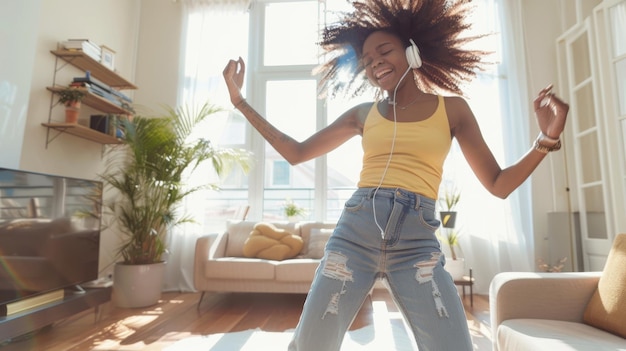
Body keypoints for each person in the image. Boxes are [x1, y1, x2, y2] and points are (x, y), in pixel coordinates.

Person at [222, 0, 569, 350]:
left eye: (384, 51)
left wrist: (547, 138)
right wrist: (239, 102)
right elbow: (295, 153)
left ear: (412, 52)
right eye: (367, 61)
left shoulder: (453, 109)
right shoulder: (362, 113)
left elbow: (499, 184)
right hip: (354, 237)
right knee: (311, 345)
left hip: (417, 246)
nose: (375, 63)